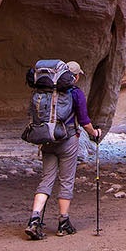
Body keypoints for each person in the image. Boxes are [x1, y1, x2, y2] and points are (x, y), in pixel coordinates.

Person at [27, 60, 103, 239]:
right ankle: (63, 222)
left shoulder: (43, 91)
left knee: (46, 180)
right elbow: (84, 121)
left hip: (47, 139)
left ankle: (34, 220)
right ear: (74, 77)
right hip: (67, 140)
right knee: (66, 181)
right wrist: (95, 133)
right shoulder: (75, 93)